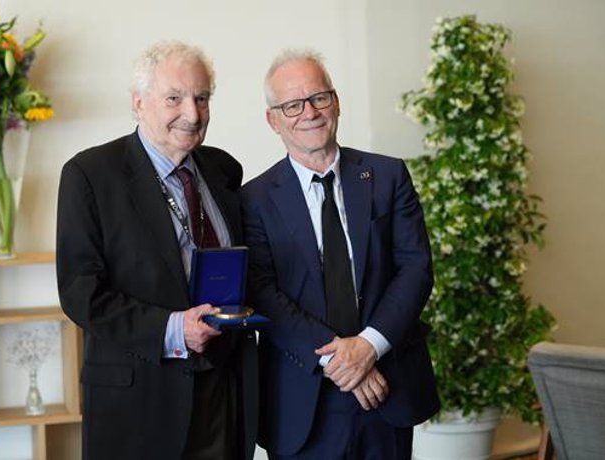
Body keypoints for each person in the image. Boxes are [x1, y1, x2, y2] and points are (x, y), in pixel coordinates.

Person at [56, 41, 257, 460]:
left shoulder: (223, 169)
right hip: (139, 401)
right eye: (174, 98)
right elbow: (81, 293)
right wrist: (173, 329)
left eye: (202, 98)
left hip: (222, 392)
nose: (193, 113)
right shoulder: (89, 175)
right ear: (138, 102)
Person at [241, 49, 440, 459]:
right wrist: (341, 359)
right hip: (302, 397)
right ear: (272, 119)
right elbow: (261, 291)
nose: (309, 112)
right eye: (292, 105)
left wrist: (368, 347)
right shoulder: (253, 199)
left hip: (387, 387)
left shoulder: (387, 176)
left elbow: (415, 268)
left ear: (337, 102)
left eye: (319, 98)